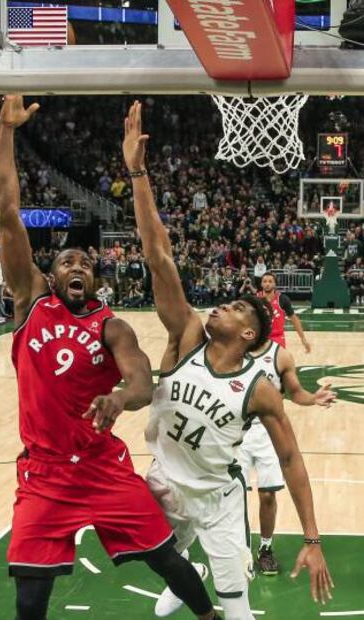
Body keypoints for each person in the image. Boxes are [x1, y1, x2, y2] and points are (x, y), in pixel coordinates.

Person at [0, 96, 221, 620]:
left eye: (86, 262)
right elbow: (7, 212)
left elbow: (143, 382)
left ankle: (209, 617)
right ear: (51, 275)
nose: (77, 265)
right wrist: (5, 132)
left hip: (102, 467)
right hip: (45, 474)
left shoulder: (111, 326)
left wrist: (119, 397)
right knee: (30, 594)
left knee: (167, 558)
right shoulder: (31, 303)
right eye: (67, 260)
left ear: (96, 279)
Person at [123, 101, 333, 620]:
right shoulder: (188, 335)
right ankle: (185, 567)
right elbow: (159, 256)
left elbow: (290, 461)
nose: (222, 304)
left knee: (234, 613)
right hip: (163, 482)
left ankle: (215, 568)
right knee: (135, 548)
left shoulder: (259, 385)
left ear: (248, 333)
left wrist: (312, 537)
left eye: (236, 306)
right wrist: (137, 174)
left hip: (216, 501)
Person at [238, 338, 336, 576]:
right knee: (233, 496)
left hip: (268, 432)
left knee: (268, 494)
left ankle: (265, 548)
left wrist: (313, 398)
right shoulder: (230, 350)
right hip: (235, 431)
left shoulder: (280, 356)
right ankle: (240, 551)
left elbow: (295, 392)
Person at [258, 272, 311, 352]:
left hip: (277, 337)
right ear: (261, 284)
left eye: (270, 281)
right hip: (260, 338)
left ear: (275, 284)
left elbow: (294, 319)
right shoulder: (255, 299)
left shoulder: (283, 299)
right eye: (264, 281)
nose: (267, 284)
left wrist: (303, 338)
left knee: (278, 363)